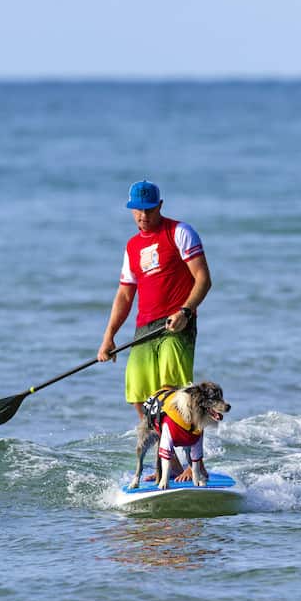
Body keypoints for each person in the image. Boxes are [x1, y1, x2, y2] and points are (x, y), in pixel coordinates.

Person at [98, 180, 212, 477]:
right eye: (137, 210)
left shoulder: (180, 232)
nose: (143, 216)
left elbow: (203, 279)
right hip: (144, 328)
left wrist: (185, 311)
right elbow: (125, 294)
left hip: (177, 325)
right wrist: (108, 336)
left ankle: (194, 464)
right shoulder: (132, 246)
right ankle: (169, 464)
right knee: (140, 397)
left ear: (159, 206)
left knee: (177, 397)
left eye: (148, 210)